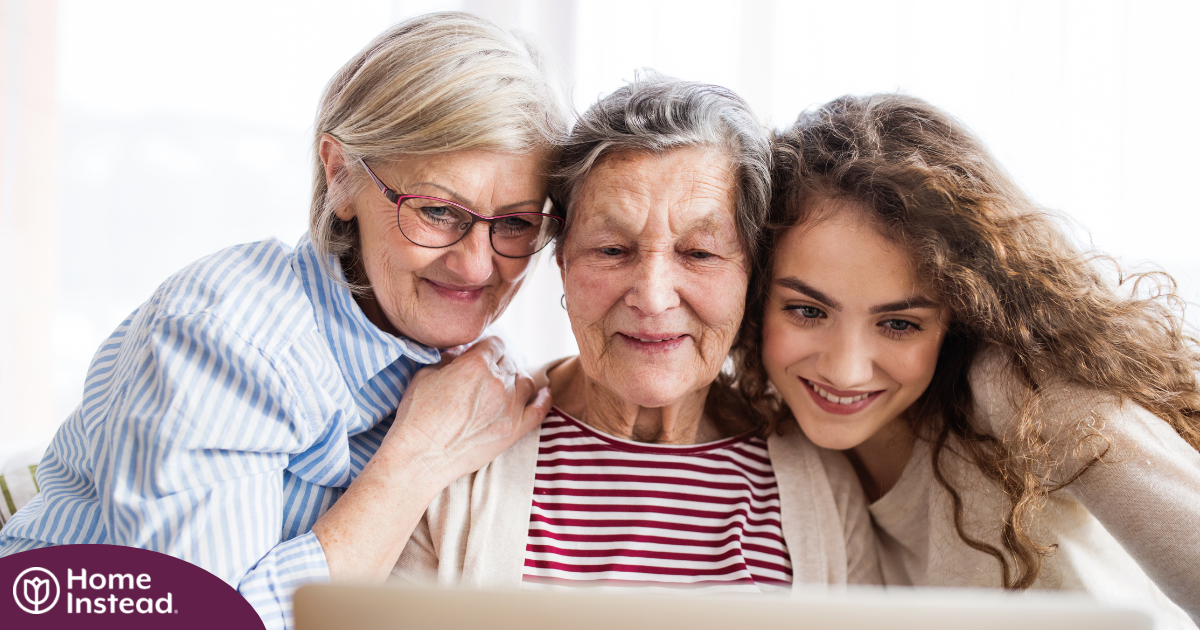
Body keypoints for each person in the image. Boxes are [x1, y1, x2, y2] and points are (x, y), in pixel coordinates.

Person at [0, 12, 566, 629]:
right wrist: (417, 460)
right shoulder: (224, 339)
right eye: (435, 211)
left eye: (515, 223)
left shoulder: (462, 367)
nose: (476, 264)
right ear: (342, 175)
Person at [390, 73, 879, 592]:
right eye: (612, 250)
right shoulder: (460, 451)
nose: (652, 296)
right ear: (562, 261)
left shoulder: (823, 485)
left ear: (750, 273)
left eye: (699, 254)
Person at [739, 93, 1200, 626]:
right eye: (807, 310)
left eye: (898, 324)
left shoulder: (1021, 392)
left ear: (958, 315)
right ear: (754, 296)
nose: (845, 369)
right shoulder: (769, 439)